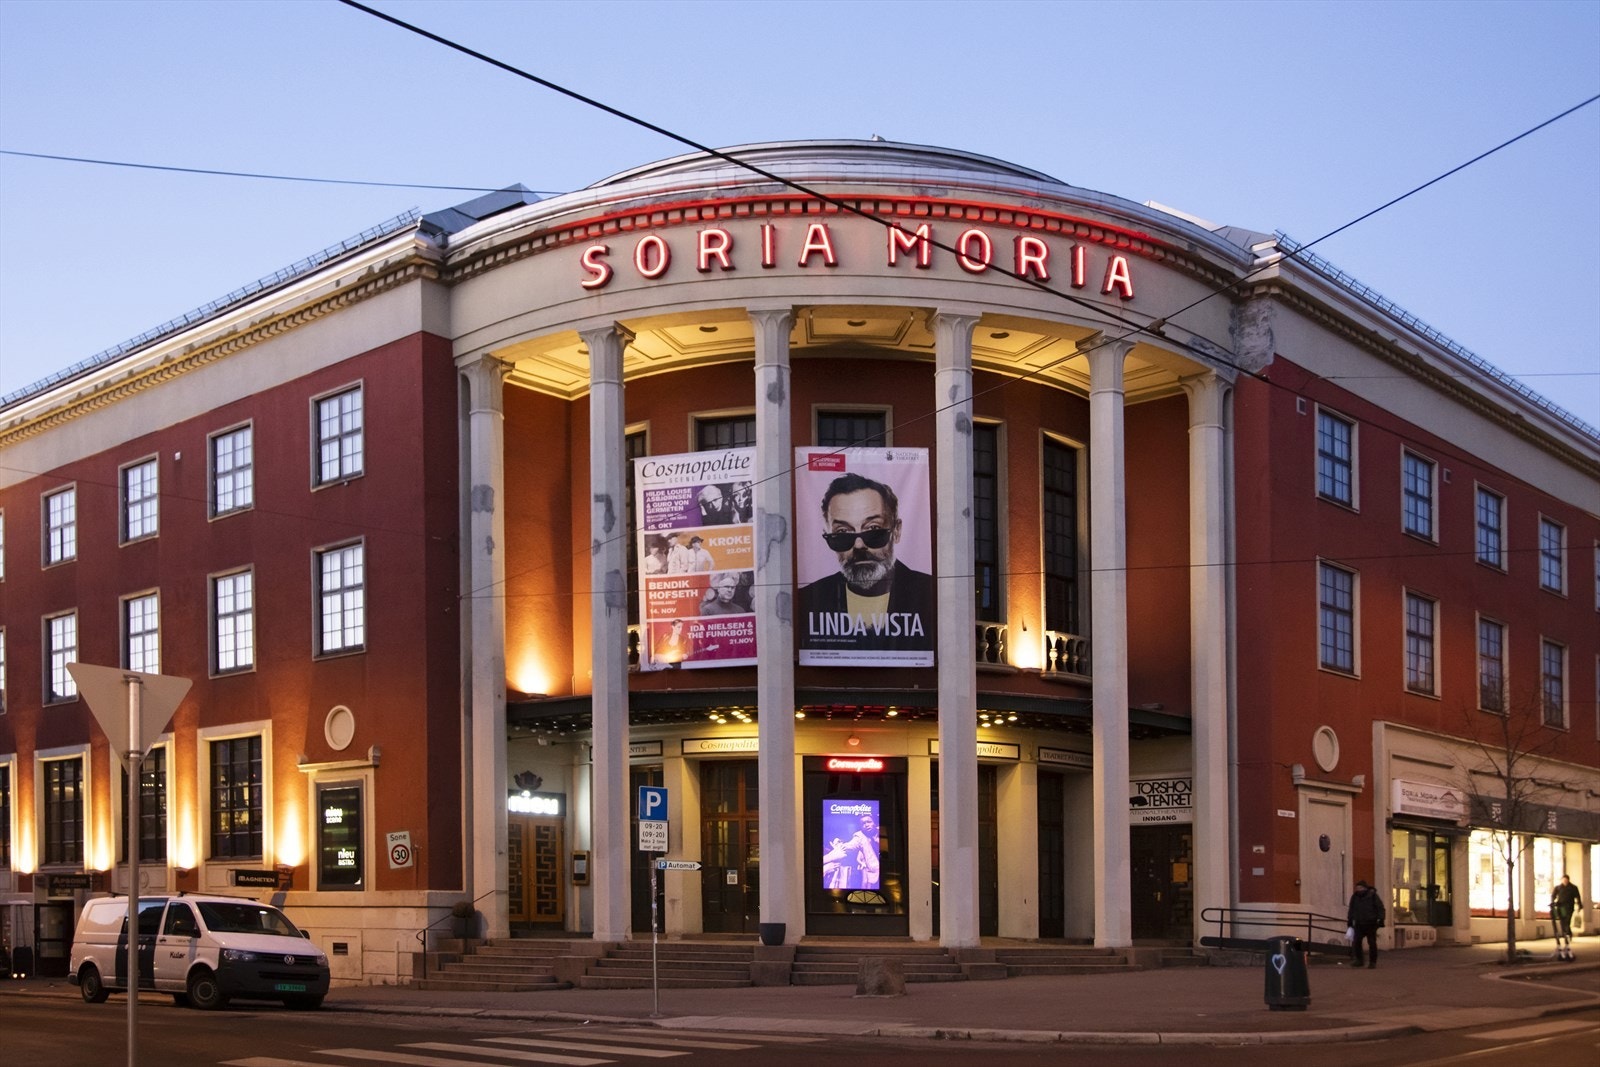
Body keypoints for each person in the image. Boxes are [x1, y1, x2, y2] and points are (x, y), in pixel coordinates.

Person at [798, 472, 935, 653]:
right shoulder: (808, 600)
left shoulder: (930, 594)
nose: (859, 545)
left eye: (873, 529)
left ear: (896, 531)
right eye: (843, 533)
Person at [821, 810, 881, 890]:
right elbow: (849, 845)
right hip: (873, 875)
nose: (866, 825)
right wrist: (838, 846)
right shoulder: (859, 836)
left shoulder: (882, 831)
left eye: (869, 822)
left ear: (874, 823)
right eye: (863, 823)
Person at [1347, 878, 1386, 969]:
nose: (1358, 890)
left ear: (1365, 888)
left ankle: (1372, 962)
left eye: (1360, 888)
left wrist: (1381, 919)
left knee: (1371, 942)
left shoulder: (1372, 896)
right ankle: (1359, 960)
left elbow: (1380, 907)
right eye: (1357, 888)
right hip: (1359, 922)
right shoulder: (1355, 897)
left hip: (1370, 922)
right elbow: (1351, 909)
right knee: (1357, 942)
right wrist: (1350, 919)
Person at [1551, 874, 1583, 961]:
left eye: (1566, 880)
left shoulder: (1573, 888)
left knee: (1567, 921)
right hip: (1561, 907)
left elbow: (1578, 896)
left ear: (1568, 880)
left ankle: (1567, 933)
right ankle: (1565, 933)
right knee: (1562, 921)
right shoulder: (1558, 888)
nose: (1564, 881)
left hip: (1569, 907)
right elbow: (1553, 895)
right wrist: (1553, 902)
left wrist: (1580, 905)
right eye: (1563, 880)